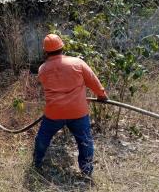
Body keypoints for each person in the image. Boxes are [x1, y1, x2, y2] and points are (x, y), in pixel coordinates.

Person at [33, 33, 108, 177]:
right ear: (62, 47)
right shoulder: (77, 63)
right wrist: (101, 95)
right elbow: (93, 80)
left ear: (46, 51)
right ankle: (86, 171)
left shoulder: (42, 69)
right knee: (85, 141)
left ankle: (36, 162)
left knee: (43, 138)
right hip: (78, 112)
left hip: (54, 113)